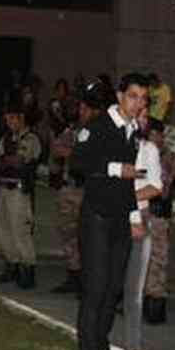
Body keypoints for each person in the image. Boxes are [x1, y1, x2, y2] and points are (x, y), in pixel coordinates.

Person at [71, 74, 147, 350]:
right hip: (97, 218)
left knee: (113, 287)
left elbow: (129, 182)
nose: (138, 103)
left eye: (143, 98)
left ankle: (101, 349)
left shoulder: (132, 131)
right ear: (119, 96)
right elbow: (78, 164)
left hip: (119, 218)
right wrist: (116, 169)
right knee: (96, 286)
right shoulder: (98, 126)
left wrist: (133, 217)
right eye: (133, 96)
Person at [120, 106, 163, 350]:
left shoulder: (149, 149)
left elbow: (155, 186)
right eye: (139, 114)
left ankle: (132, 347)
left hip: (139, 218)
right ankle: (95, 344)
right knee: (105, 282)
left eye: (146, 115)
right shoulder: (114, 145)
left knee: (134, 289)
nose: (143, 119)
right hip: (112, 219)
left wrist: (131, 209)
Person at [51, 87, 103, 296]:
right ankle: (74, 275)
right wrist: (75, 153)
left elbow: (96, 158)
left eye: (84, 108)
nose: (80, 111)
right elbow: (57, 148)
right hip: (69, 186)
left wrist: (74, 154)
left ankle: (88, 280)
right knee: (68, 233)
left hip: (88, 190)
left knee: (89, 237)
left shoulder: (100, 132)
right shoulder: (73, 131)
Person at [0, 99, 40, 289]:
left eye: (12, 118)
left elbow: (19, 161)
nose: (9, 122)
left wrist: (4, 159)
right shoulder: (7, 138)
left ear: (21, 118)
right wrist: (4, 159)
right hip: (4, 187)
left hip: (20, 190)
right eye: (7, 119)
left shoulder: (31, 138)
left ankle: (27, 270)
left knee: (21, 231)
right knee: (3, 228)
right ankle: (12, 266)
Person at [143, 119, 175, 324]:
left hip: (157, 213)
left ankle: (155, 306)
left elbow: (162, 185)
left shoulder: (166, 156)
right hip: (143, 211)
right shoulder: (146, 153)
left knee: (157, 260)